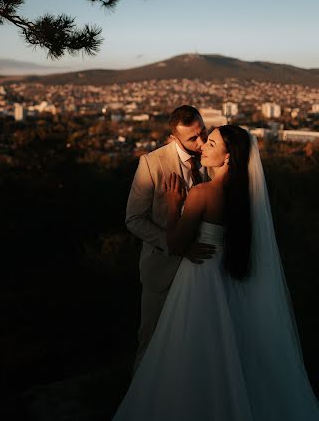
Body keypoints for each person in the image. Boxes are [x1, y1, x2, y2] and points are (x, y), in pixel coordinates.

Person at [114, 125, 319, 420]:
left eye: (210, 144)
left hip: (200, 276)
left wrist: (173, 205)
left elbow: (175, 242)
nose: (203, 148)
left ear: (227, 158)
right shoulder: (244, 195)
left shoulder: (202, 193)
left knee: (191, 350)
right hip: (226, 273)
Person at [125, 105, 214, 372]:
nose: (201, 143)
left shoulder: (213, 158)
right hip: (163, 269)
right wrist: (176, 244)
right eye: (192, 139)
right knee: (151, 340)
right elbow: (134, 220)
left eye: (203, 133)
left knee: (194, 343)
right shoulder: (152, 163)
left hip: (205, 269)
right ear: (174, 138)